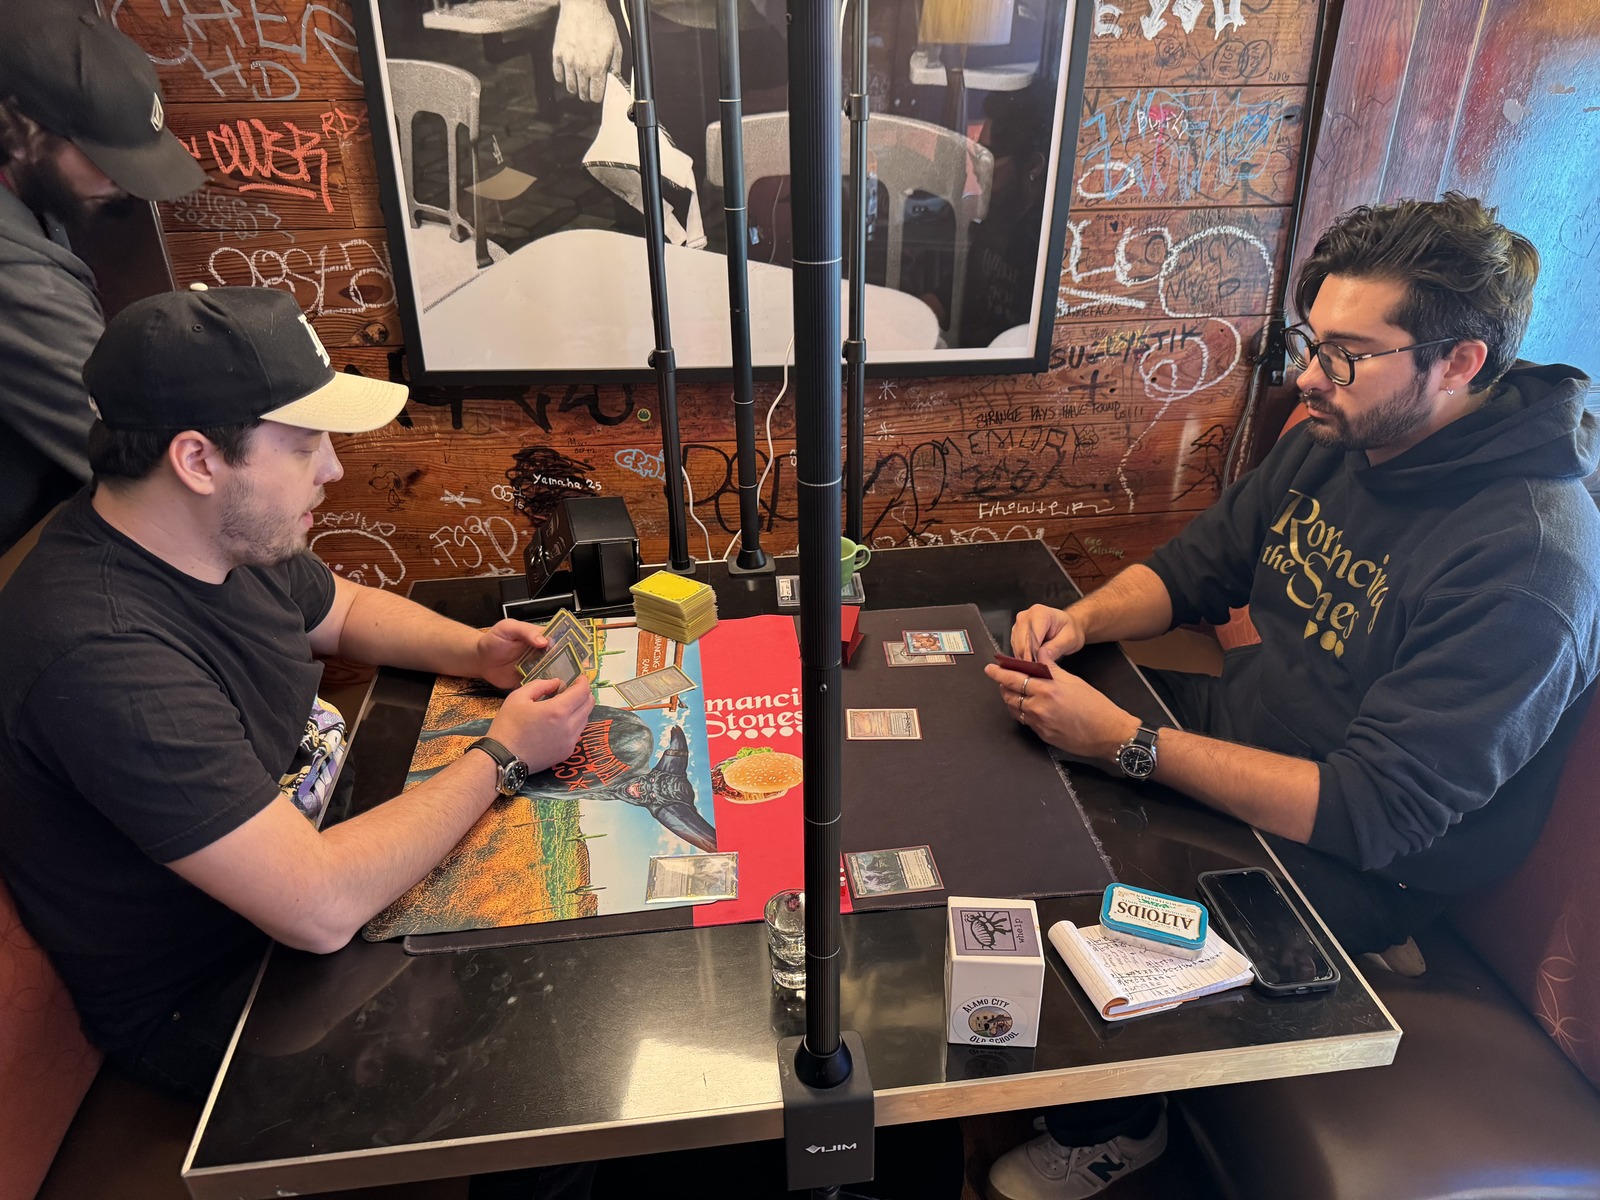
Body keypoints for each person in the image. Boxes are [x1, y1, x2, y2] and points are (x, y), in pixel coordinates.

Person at [982, 193, 1600, 1199]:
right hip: (1253, 735)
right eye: (1313, 342)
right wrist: (1082, 623)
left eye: (1345, 355)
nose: (1310, 376)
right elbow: (1197, 567)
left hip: (1365, 856)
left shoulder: (1529, 562)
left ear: (1458, 363)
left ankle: (1118, 1131)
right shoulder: (1343, 432)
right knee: (1008, 763)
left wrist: (1128, 743)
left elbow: (1371, 810)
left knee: (1090, 928)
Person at [0, 285, 597, 1196]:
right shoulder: (103, 652)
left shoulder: (214, 535)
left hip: (312, 876)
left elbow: (340, 609)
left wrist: (472, 650)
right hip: (228, 987)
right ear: (198, 459)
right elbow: (316, 907)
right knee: (557, 1068)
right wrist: (502, 754)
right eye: (304, 443)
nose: (334, 470)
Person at [0, 5, 205, 555]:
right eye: (102, 157)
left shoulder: (29, 198)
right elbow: (138, 461)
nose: (125, 184)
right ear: (19, 131)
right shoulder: (14, 272)